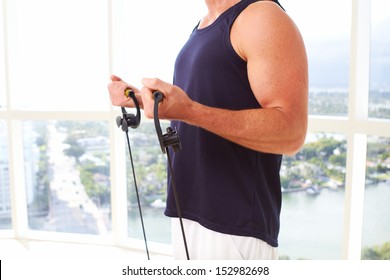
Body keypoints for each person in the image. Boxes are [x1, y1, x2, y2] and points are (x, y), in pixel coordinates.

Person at [108, 0, 308, 260]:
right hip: (188, 213)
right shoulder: (205, 23)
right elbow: (202, 105)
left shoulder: (262, 17)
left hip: (235, 229)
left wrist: (188, 110)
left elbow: (291, 132)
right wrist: (142, 99)